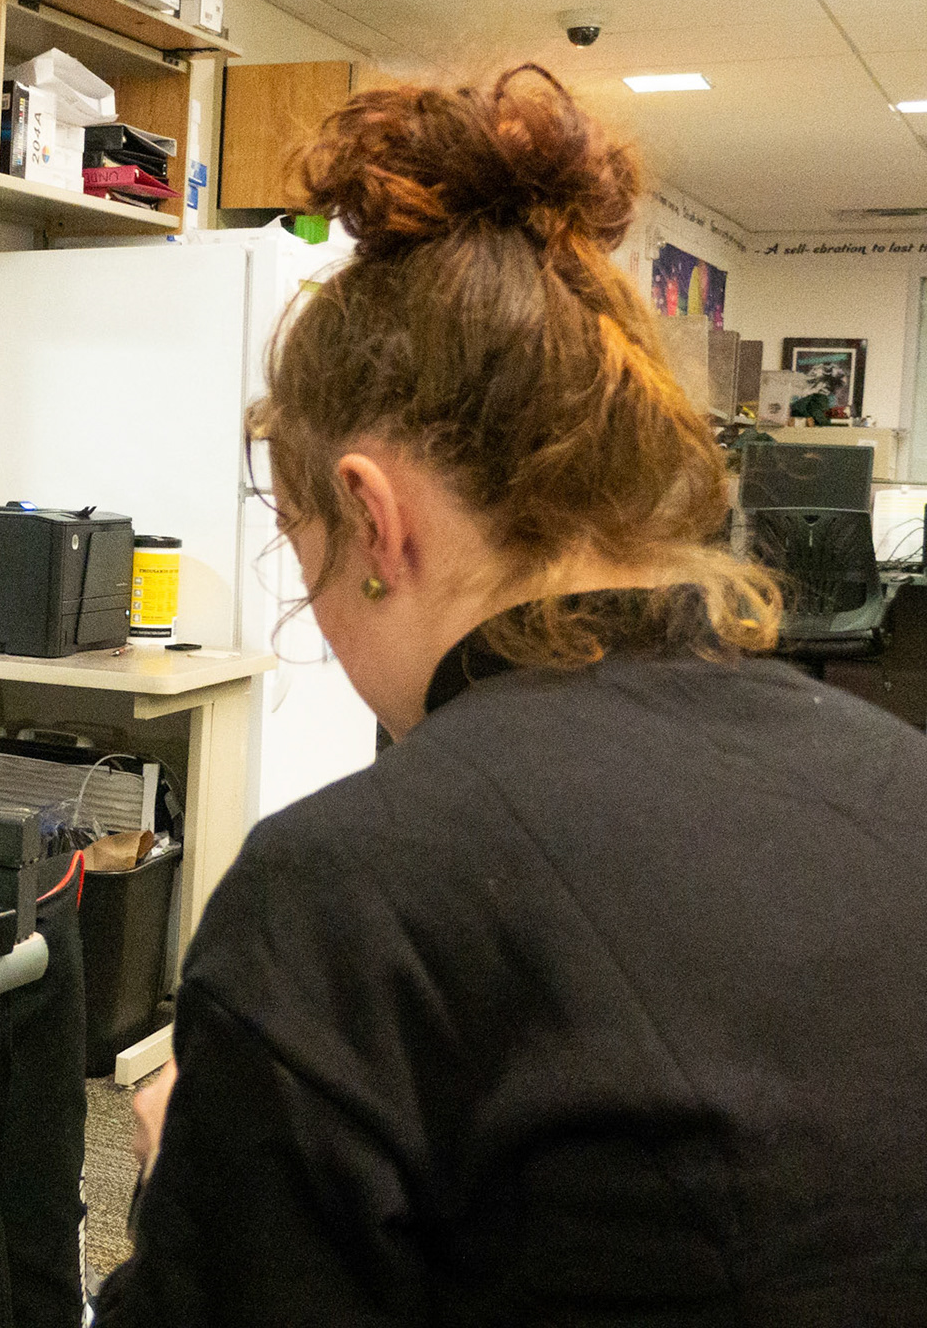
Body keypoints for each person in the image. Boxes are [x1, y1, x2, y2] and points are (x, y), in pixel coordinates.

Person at [92, 66, 927, 1324]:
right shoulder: (900, 780)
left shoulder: (347, 897)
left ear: (374, 521)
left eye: (299, 542)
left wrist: (184, 1184)